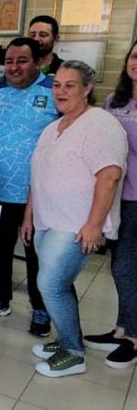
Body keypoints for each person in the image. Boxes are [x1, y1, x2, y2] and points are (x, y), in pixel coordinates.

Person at [24, 60, 127, 377]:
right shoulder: (54, 127)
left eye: (70, 85)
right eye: (57, 85)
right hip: (48, 221)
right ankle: (66, 338)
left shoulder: (100, 123)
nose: (61, 91)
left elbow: (109, 175)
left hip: (76, 225)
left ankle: (73, 352)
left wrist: (95, 224)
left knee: (50, 284)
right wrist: (28, 215)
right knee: (59, 283)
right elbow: (37, 175)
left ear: (87, 88)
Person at [0, 37, 59, 337]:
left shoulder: (54, 93)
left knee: (38, 255)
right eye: (9, 60)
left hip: (39, 195)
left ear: (38, 62)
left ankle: (40, 308)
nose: (14, 66)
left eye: (22, 60)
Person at [83, 40, 137, 369]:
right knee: (121, 265)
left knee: (126, 267)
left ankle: (133, 335)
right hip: (118, 198)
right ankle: (121, 327)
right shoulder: (113, 102)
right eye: (134, 56)